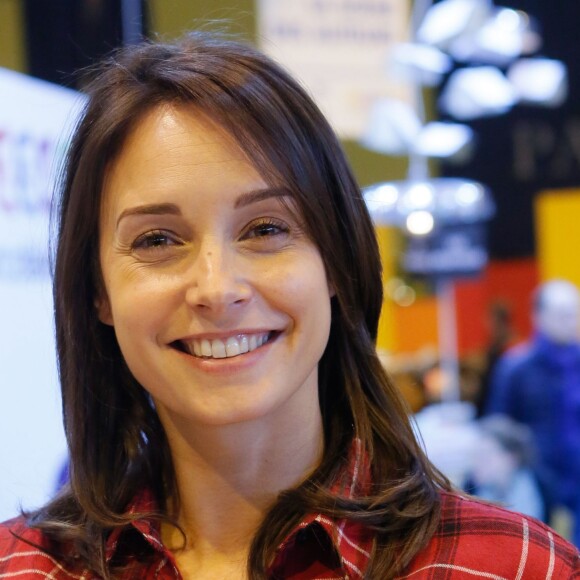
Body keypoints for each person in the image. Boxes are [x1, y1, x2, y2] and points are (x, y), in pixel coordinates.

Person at [0, 33, 577, 579]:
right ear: (97, 290)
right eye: (157, 240)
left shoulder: (512, 565)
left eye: (266, 227)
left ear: (335, 258)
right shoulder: (25, 566)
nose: (218, 288)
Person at [486, 279, 580, 546]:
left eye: (573, 314)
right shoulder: (515, 368)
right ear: (539, 316)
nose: (569, 321)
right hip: (535, 482)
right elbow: (498, 427)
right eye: (561, 314)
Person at [467, 415, 545, 520]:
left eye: (486, 456)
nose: (477, 463)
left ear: (511, 458)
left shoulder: (543, 488)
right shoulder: (469, 490)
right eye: (475, 456)